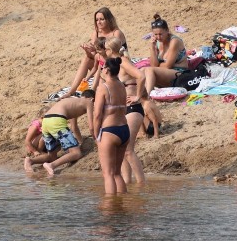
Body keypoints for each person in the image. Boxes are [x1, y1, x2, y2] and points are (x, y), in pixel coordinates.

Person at [97, 37, 146, 184]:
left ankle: (141, 184)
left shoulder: (123, 62)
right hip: (124, 110)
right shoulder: (114, 65)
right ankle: (126, 183)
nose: (103, 51)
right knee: (122, 151)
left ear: (110, 50)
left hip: (133, 108)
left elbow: (141, 76)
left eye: (105, 49)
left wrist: (138, 96)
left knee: (129, 150)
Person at [23, 90, 95, 176]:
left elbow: (74, 127)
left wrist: (81, 141)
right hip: (56, 120)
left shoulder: (73, 102)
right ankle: (51, 165)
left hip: (45, 121)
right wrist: (96, 139)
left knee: (51, 157)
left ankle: (30, 161)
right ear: (92, 99)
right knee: (76, 153)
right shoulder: (88, 102)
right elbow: (91, 127)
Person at [63, 7, 127, 99]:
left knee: (99, 68)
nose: (99, 22)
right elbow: (93, 56)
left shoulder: (116, 33)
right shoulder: (96, 33)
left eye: (102, 19)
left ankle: (93, 90)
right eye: (97, 20)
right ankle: (71, 91)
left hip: (116, 64)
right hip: (102, 63)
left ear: (108, 20)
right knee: (86, 59)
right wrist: (87, 50)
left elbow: (115, 54)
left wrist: (97, 50)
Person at [92, 57, 129, 195]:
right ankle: (122, 205)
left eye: (102, 67)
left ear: (107, 70)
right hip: (124, 129)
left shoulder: (103, 87)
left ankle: (110, 210)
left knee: (108, 174)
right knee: (117, 173)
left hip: (109, 130)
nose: (101, 69)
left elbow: (97, 115)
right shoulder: (121, 86)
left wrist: (96, 134)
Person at [136, 14, 189, 99]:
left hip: (179, 73)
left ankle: (147, 97)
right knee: (142, 71)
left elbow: (168, 65)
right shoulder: (157, 42)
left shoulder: (174, 41)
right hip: (165, 73)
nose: (158, 37)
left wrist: (158, 66)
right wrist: (152, 47)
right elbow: (154, 65)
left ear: (167, 31)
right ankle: (142, 94)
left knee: (149, 70)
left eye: (161, 34)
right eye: (155, 34)